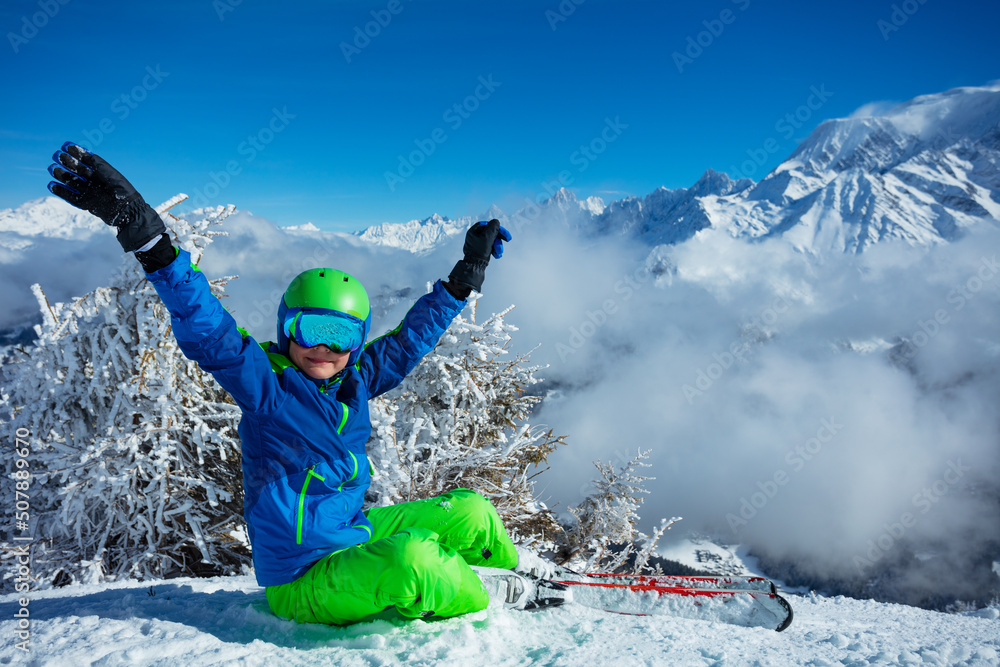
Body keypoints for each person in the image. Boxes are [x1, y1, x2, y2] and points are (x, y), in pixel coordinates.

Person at [47, 141, 538, 625]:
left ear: (357, 342)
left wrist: (465, 276)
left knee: (470, 512)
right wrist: (152, 245)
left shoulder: (358, 379)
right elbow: (211, 333)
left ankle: (526, 570)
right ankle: (496, 593)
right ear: (286, 330)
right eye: (310, 330)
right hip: (303, 578)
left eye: (340, 335)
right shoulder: (268, 387)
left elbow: (410, 340)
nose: (323, 349)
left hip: (352, 533)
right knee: (414, 562)